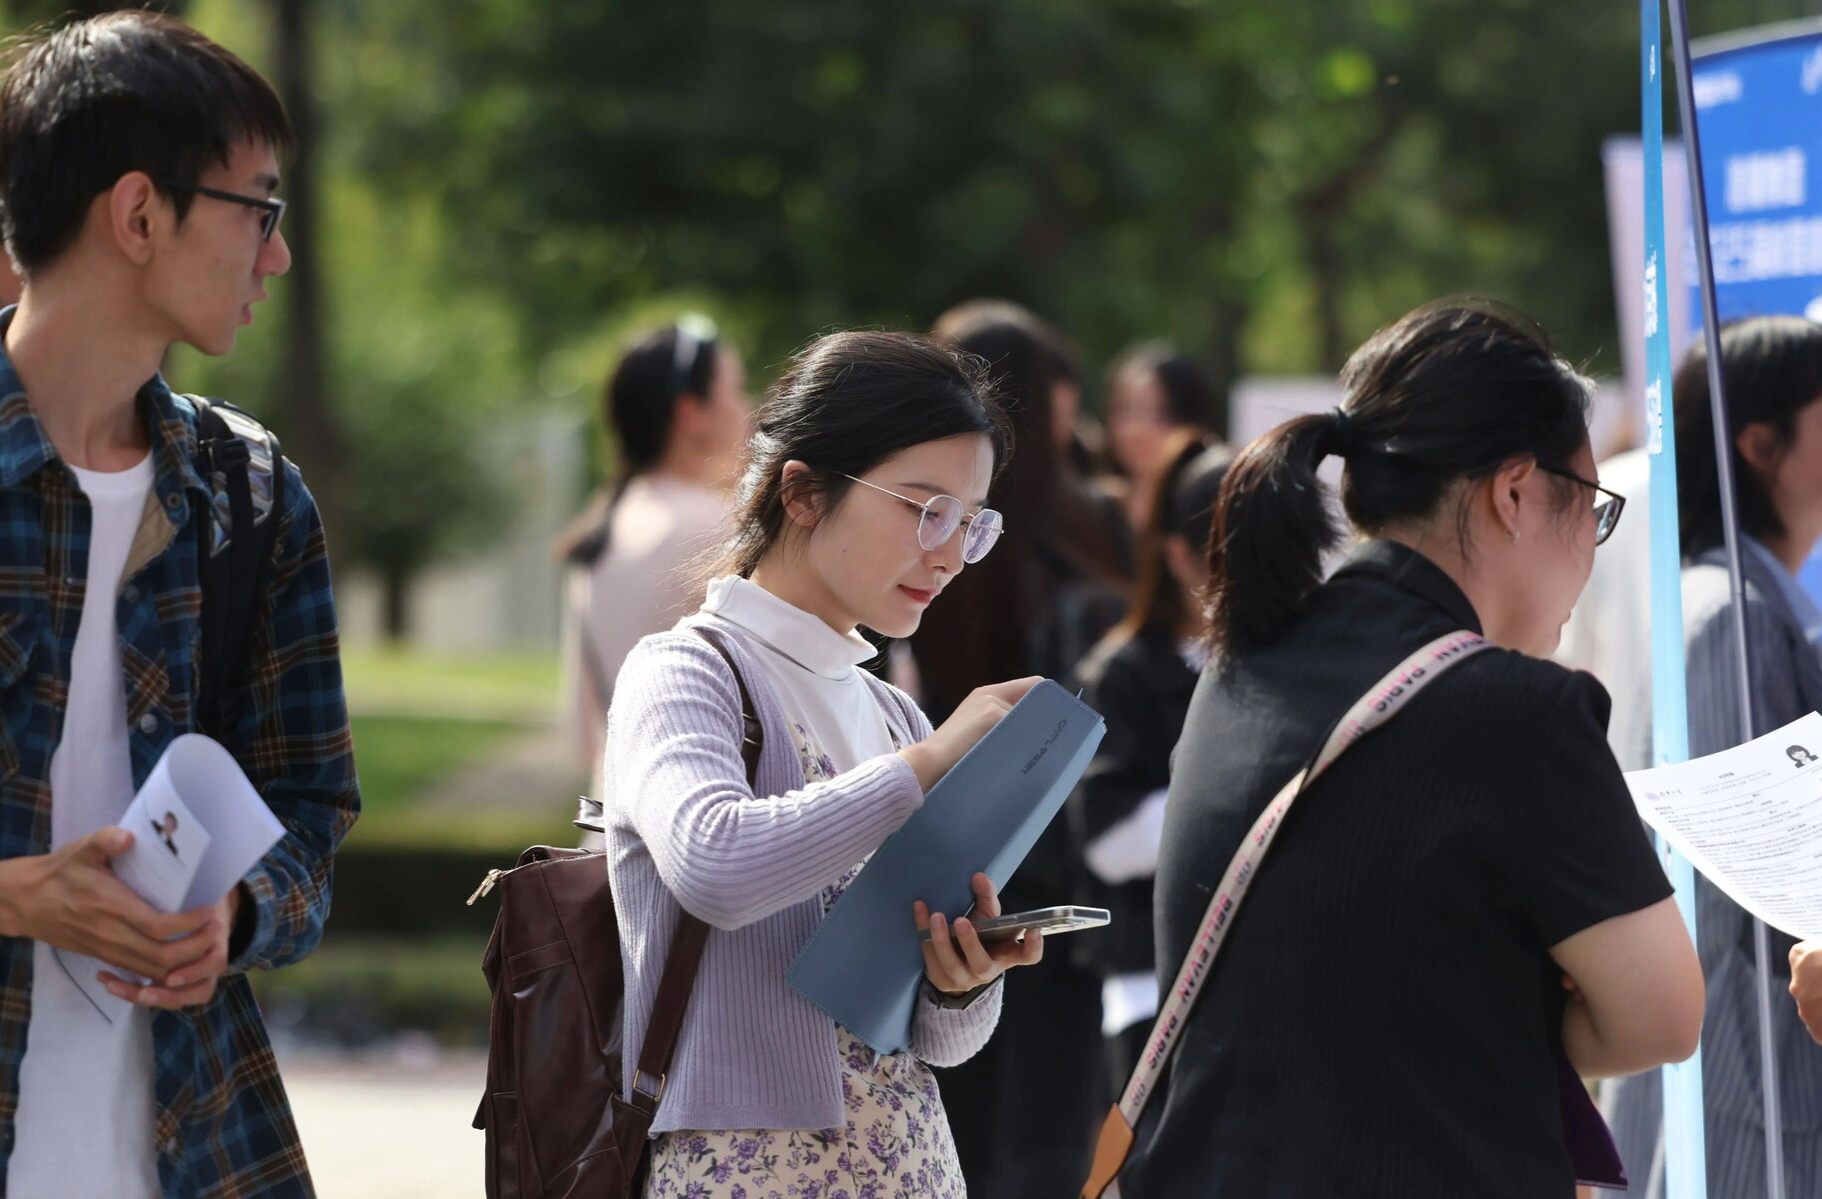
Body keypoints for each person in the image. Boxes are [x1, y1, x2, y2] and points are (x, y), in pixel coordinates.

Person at [1120, 300, 1703, 1199]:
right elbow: (1662, 1016)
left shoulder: (1237, 670)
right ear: (1515, 493)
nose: (1591, 547)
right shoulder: (1520, 710)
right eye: (1593, 507)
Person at [0, 12, 357, 1197]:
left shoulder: (252, 497)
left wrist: (242, 917)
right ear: (140, 214)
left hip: (192, 1143)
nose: (278, 254)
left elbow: (311, 806)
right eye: (260, 208)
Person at [602, 330, 1046, 1199]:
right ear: (801, 491)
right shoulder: (688, 669)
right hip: (745, 1172)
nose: (950, 552)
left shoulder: (891, 711)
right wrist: (930, 763)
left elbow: (935, 1041)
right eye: (925, 509)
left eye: (970, 521)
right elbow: (717, 865)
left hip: (907, 1162)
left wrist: (963, 980)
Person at [911, 299, 1129, 1199]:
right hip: (1067, 881)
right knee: (1052, 1138)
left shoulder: (930, 534)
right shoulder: (1098, 535)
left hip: (953, 863)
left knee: (955, 1121)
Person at [1610, 316, 1822, 1198]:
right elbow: (1771, 874)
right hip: (1751, 1078)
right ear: (1763, 445)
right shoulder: (1730, 613)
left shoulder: (1739, 599)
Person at [1068, 431, 1229, 1087]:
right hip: (1150, 979)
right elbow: (1105, 841)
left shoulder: (1288, 667)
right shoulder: (1124, 671)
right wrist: (1241, 794)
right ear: (1179, 557)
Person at [557, 317, 750, 801]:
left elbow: (582, 735)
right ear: (691, 412)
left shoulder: (602, 528)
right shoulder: (711, 527)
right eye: (737, 390)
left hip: (610, 819)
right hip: (694, 823)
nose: (749, 410)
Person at [1104, 341, 1223, 535]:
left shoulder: (1212, 511)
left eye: (1161, 414)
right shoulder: (1091, 510)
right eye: (1125, 410)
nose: (1137, 429)